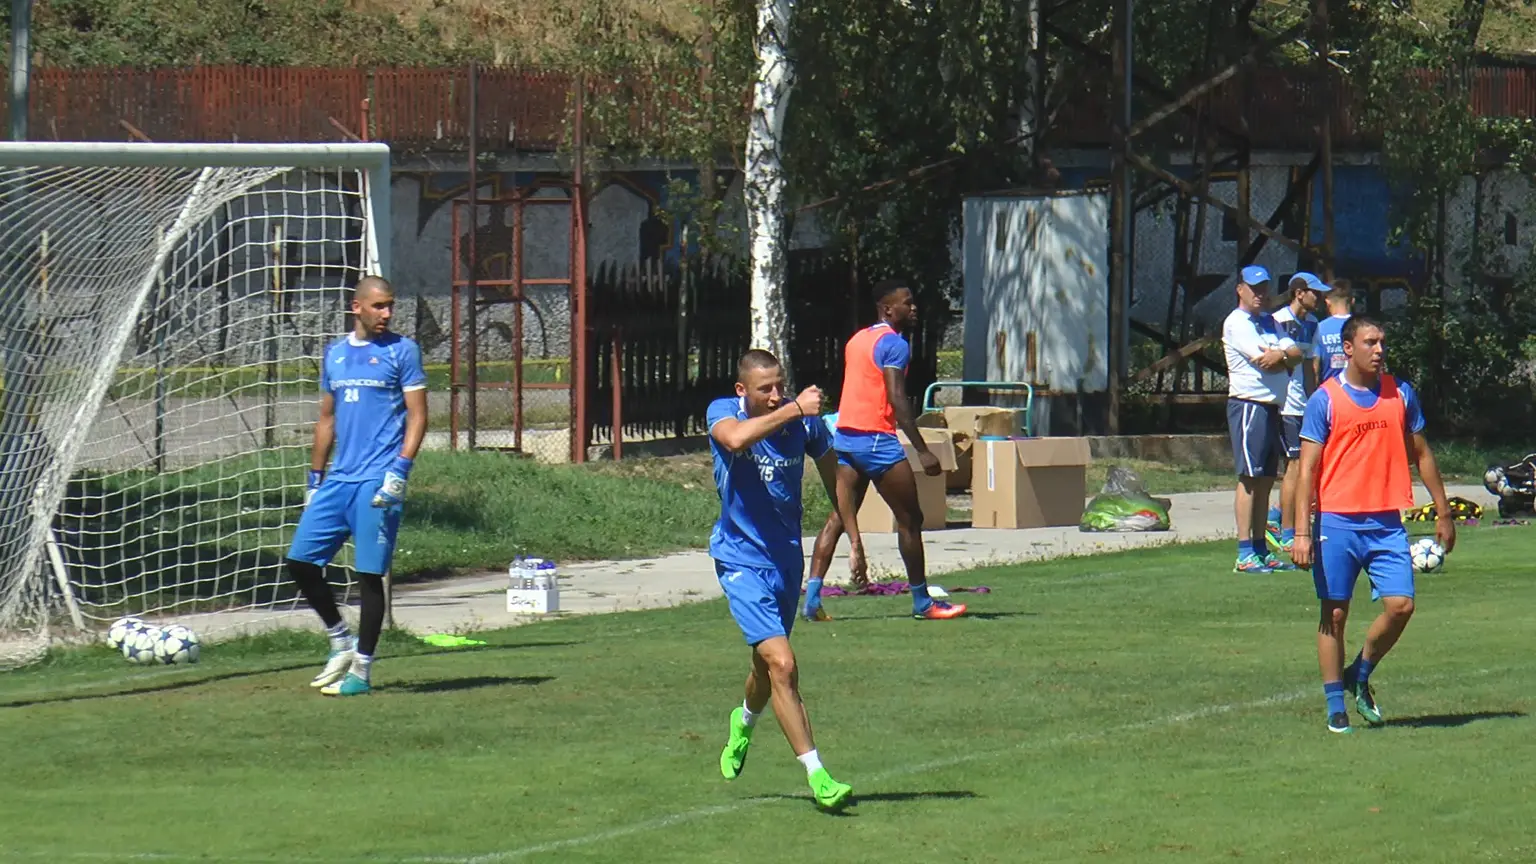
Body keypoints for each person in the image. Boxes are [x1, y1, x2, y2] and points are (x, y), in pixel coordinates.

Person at [1291, 315, 1456, 734]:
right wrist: (1301, 532)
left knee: (1401, 606)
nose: (1379, 349)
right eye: (1370, 342)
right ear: (1348, 348)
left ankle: (1359, 672)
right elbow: (1306, 470)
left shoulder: (1400, 393)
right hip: (1336, 522)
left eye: (1382, 341)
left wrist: (1443, 511)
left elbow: (1422, 454)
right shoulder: (1325, 400)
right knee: (1335, 613)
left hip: (1386, 522)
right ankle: (1335, 706)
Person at [710, 350, 854, 812]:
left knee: (766, 668)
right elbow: (736, 440)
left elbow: (835, 478)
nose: (775, 395)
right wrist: (794, 408)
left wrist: (855, 537)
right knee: (784, 664)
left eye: (780, 386)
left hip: (785, 562)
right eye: (764, 389)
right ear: (742, 391)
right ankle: (819, 776)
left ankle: (743, 722)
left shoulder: (805, 425)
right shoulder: (723, 413)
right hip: (740, 561)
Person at [285, 276, 428, 697]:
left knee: (368, 575)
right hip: (339, 480)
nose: (387, 314)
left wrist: (400, 470)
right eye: (379, 306)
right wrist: (314, 479)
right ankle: (339, 641)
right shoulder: (335, 354)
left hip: (379, 478)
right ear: (357, 307)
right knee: (300, 563)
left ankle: (362, 673)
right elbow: (326, 419)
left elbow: (419, 416)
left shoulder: (403, 351)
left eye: (390, 305)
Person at [832, 279, 965, 620]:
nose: (914, 307)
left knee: (839, 517)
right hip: (877, 441)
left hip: (845, 437)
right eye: (907, 302)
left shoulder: (858, 339)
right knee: (910, 519)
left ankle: (813, 600)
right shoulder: (894, 344)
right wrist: (922, 450)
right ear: (888, 309)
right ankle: (922, 602)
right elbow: (896, 398)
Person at [1221, 265, 1302, 574]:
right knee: (1250, 478)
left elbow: (1295, 353)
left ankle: (1260, 547)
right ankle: (1244, 552)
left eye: (1264, 287)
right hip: (1249, 405)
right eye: (1254, 288)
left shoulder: (1270, 322)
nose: (1260, 294)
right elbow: (1264, 361)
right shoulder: (1236, 322)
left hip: (1272, 407)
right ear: (1240, 289)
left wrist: (1282, 356)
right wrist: (1283, 358)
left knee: (1267, 479)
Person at [1269, 272, 1330, 552]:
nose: (1319, 297)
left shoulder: (1312, 323)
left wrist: (1314, 400)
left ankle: (1281, 518)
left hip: (1303, 406)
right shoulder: (1278, 321)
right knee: (1294, 465)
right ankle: (1286, 531)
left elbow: (1309, 365)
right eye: (1314, 292)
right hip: (1286, 406)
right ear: (1299, 293)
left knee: (1306, 465)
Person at [1313, 278, 1354, 385]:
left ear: (1327, 302)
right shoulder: (1363, 327)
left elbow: (1315, 369)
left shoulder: (1319, 328)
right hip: (1358, 391)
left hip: (1330, 391)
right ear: (1352, 301)